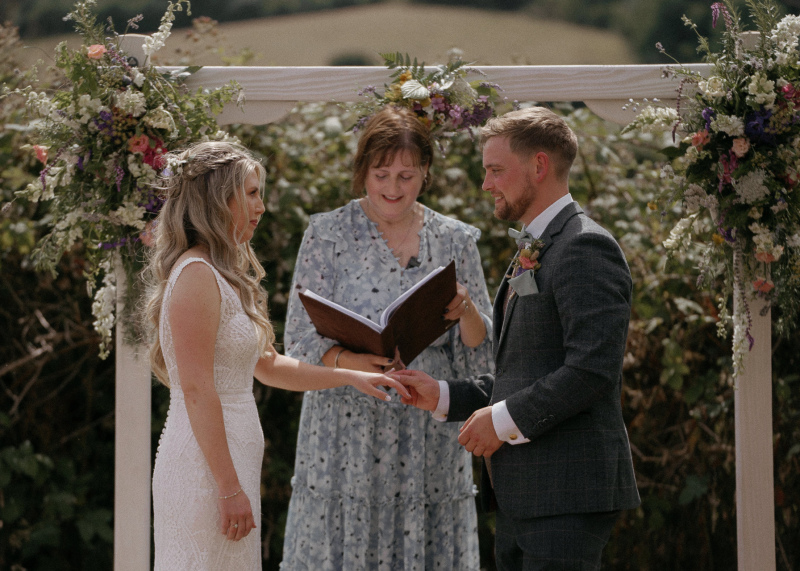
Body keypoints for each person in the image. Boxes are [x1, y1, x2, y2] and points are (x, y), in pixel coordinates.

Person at [392, 106, 641, 570]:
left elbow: (591, 371)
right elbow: (523, 371)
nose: (486, 184)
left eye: (495, 170)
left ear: (539, 165)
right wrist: (442, 395)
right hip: (521, 499)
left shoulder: (585, 246)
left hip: (564, 497)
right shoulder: (536, 247)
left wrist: (501, 421)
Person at [143, 141, 409, 570]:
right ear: (217, 199)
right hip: (204, 469)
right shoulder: (195, 275)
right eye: (250, 193)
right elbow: (196, 389)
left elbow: (267, 366)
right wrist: (228, 488)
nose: (261, 206)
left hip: (231, 464)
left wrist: (349, 375)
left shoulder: (225, 274)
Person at [279, 106, 494, 570]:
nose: (393, 189)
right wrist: (346, 360)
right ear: (362, 172)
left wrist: (469, 312)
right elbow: (296, 339)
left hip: (426, 441)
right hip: (343, 439)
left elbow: (482, 358)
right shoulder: (327, 234)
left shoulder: (455, 240)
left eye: (406, 175)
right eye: (381, 175)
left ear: (426, 174)